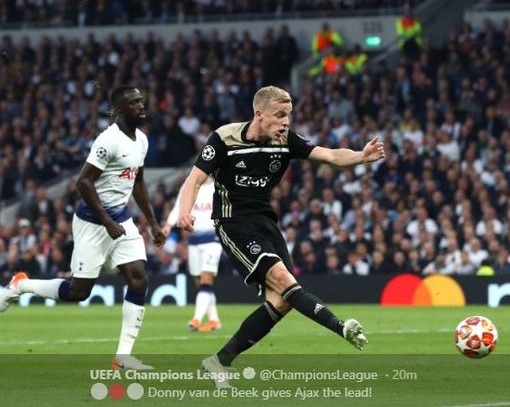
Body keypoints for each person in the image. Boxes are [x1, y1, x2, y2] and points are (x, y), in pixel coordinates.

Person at [176, 86, 384, 387]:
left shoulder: (286, 140)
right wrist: (185, 211)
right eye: (279, 115)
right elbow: (195, 179)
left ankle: (219, 361)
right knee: (286, 283)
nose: (286, 122)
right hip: (233, 222)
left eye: (289, 115)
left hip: (266, 224)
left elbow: (329, 155)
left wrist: (360, 157)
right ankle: (341, 327)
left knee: (281, 301)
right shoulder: (225, 138)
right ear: (259, 114)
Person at [0, 86, 166, 370]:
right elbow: (83, 183)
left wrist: (152, 223)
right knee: (79, 292)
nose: (141, 105)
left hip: (121, 220)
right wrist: (107, 222)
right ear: (120, 109)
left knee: (139, 278)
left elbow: (137, 181)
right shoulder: (108, 141)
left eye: (141, 101)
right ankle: (21, 284)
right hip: (93, 222)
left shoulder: (142, 140)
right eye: (134, 102)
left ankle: (123, 357)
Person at [163, 175, 222, 332]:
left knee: (206, 279)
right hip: (194, 239)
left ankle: (196, 319)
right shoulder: (188, 185)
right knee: (199, 281)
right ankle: (214, 320)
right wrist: (168, 225)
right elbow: (179, 207)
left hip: (213, 238)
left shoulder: (219, 186)